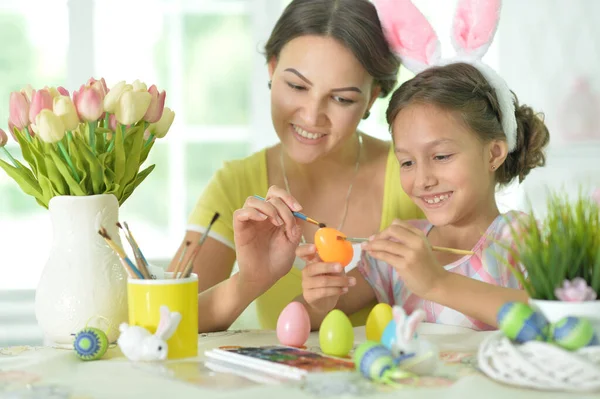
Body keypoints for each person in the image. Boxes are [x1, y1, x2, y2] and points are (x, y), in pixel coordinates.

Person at [240, 0, 551, 330]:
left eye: (441, 157)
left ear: (493, 154)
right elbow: (310, 316)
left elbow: (554, 320)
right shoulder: (400, 246)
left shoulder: (522, 239)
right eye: (406, 161)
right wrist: (321, 297)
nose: (422, 179)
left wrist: (437, 284)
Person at [171, 0, 423, 332]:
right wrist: (250, 281)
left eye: (342, 99)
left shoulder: (418, 176)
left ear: (372, 97)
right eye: (297, 86)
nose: (311, 116)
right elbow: (166, 322)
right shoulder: (236, 183)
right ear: (272, 69)